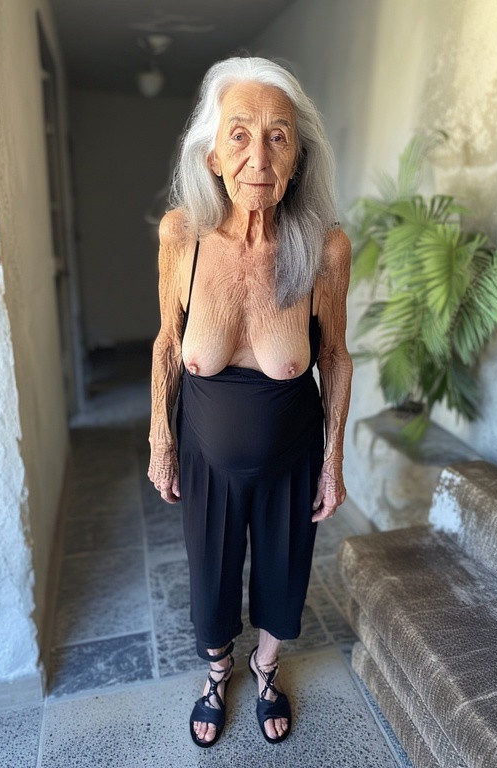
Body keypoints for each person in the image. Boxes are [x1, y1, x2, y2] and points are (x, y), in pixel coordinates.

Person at [148, 56, 352, 748]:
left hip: (292, 452)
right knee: (209, 576)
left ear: (297, 158)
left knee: (284, 570)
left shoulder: (324, 250)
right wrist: (161, 441)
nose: (258, 157)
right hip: (204, 452)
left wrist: (333, 462)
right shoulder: (181, 237)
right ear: (212, 154)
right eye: (239, 135)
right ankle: (216, 674)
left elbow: (334, 357)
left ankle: (265, 670)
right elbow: (168, 343)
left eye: (278, 136)